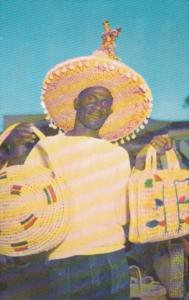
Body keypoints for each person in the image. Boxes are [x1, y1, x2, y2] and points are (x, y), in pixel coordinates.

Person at [0, 22, 167, 299]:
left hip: (114, 258)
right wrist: (14, 153)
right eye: (92, 99)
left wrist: (151, 157)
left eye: (105, 103)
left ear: (111, 111)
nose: (98, 106)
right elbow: (18, 199)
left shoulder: (118, 155)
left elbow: (129, 209)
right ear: (76, 102)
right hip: (67, 262)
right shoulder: (48, 148)